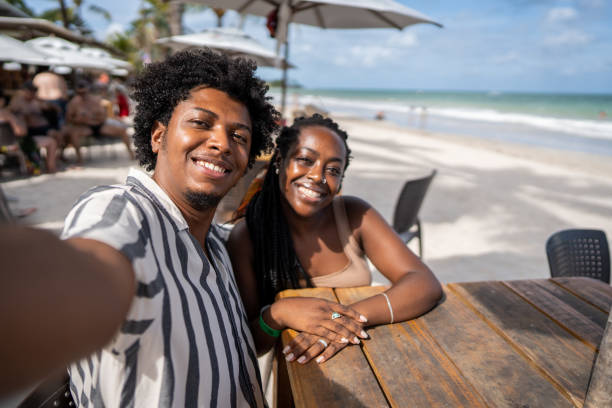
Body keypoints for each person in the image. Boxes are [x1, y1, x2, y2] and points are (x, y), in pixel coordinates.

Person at [0, 48, 279, 406]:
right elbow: (93, 268)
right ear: (158, 136)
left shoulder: (217, 245)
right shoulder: (121, 212)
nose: (222, 143)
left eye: (239, 136)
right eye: (201, 122)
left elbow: (218, 345)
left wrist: (274, 317)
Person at [227, 114, 442, 365]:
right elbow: (245, 344)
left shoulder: (352, 215)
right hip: (291, 375)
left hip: (365, 363)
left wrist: (345, 319)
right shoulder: (248, 236)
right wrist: (278, 313)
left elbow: (424, 283)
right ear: (279, 162)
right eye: (305, 160)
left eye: (332, 170)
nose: (318, 177)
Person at [61, 79, 134, 163]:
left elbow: (103, 116)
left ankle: (131, 153)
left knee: (122, 130)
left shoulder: (95, 100)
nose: (82, 95)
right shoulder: (74, 102)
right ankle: (79, 158)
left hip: (100, 125)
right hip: (85, 127)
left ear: (88, 90)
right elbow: (68, 118)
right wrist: (78, 120)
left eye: (84, 93)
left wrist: (92, 118)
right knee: (73, 134)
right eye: (80, 93)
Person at [8, 81, 58, 173]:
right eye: (31, 91)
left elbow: (55, 109)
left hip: (36, 131)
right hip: (25, 136)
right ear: (24, 91)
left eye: (34, 91)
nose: (33, 93)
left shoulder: (36, 101)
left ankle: (52, 163)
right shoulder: (17, 103)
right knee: (52, 142)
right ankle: (50, 167)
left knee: (56, 135)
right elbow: (20, 130)